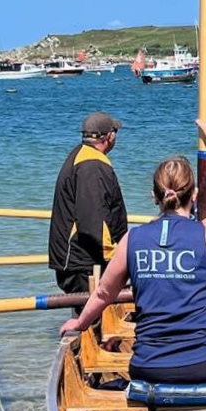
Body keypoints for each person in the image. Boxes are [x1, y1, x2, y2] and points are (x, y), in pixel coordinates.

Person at [61, 115, 206, 384]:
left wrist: (79, 324)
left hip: (149, 365)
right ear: (193, 194)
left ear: (154, 197)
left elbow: (103, 293)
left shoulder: (132, 240)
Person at [48, 112, 129, 295]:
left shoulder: (81, 155)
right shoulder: (92, 165)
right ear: (109, 136)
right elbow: (93, 221)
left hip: (79, 259)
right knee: (93, 319)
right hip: (85, 263)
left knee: (87, 317)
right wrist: (118, 256)